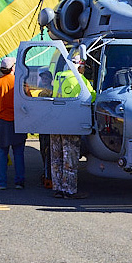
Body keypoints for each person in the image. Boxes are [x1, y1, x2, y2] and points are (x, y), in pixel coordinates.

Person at [51, 58, 92, 199]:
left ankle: (57, 188)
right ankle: (69, 190)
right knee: (70, 158)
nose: (84, 69)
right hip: (70, 123)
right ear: (79, 66)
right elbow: (91, 96)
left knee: (57, 157)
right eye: (83, 66)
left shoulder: (59, 76)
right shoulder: (80, 79)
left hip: (56, 122)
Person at [0, 57, 24, 190]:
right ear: (13, 68)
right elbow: (28, 99)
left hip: (1, 121)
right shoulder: (20, 82)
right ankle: (19, 182)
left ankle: (1, 182)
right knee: (19, 153)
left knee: (2, 152)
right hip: (18, 121)